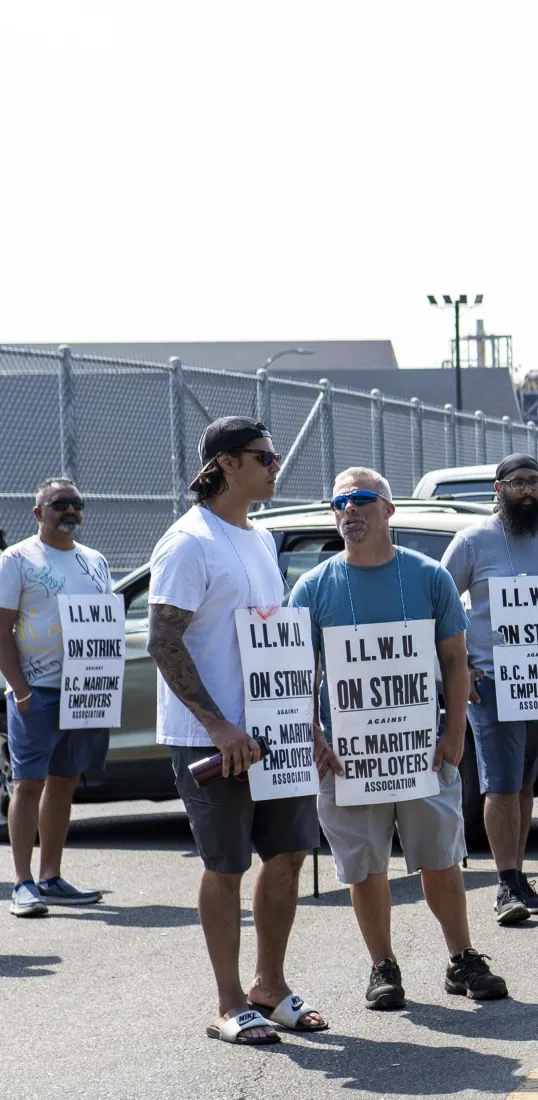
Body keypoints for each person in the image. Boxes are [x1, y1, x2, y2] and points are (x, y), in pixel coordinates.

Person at [290, 468, 506, 1008]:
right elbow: (298, 671)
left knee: (439, 858)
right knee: (365, 865)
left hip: (421, 750)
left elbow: (454, 660)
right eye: (340, 502)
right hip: (347, 758)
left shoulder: (429, 577)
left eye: (362, 500)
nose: (350, 510)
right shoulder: (314, 587)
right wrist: (312, 734)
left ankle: (462, 959)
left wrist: (453, 731)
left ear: (389, 510)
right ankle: (382, 966)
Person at [150, 417, 324, 1046]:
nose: (276, 465)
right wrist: (218, 724)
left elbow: (276, 640)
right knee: (225, 863)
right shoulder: (188, 542)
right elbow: (162, 639)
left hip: (276, 733)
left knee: (287, 855)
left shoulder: (262, 539)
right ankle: (228, 1003)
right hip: (211, 738)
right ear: (225, 463)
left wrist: (308, 725)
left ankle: (268, 987)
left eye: (274, 456)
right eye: (263, 457)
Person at [441, 453, 538, 924]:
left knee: (524, 784)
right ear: (497, 490)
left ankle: (518, 877)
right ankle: (504, 886)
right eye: (518, 482)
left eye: (535, 482)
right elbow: (441, 610)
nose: (528, 490)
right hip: (494, 684)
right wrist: (460, 673)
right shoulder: (473, 540)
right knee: (500, 784)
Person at [2, 478, 113, 917]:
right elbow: (1, 629)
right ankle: (22, 883)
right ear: (38, 513)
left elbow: (104, 622)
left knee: (65, 782)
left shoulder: (96, 561)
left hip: (84, 690)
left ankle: (50, 876)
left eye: (76, 504)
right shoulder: (17, 559)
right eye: (59, 504)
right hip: (36, 691)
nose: (69, 510)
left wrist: (105, 686)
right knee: (28, 784)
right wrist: (20, 688)